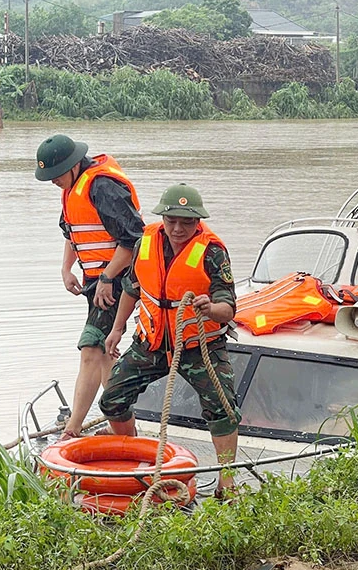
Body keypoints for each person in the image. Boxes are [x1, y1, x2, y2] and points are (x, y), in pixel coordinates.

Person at [99, 184, 241, 497]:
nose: (178, 228)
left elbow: (228, 308)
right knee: (112, 399)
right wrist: (117, 328)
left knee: (223, 409)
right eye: (172, 220)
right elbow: (133, 288)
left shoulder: (213, 251)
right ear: (163, 217)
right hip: (150, 341)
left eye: (186, 222)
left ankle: (226, 481)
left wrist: (209, 309)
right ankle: (132, 452)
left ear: (198, 222)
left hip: (197, 346)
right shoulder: (145, 242)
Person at [34, 134, 144, 439]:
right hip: (95, 281)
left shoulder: (102, 187)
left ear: (72, 166)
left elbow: (134, 239)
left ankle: (72, 428)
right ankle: (122, 427)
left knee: (90, 348)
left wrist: (108, 278)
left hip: (118, 279)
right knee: (106, 352)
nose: (54, 182)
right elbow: (72, 232)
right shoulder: (72, 189)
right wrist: (66, 268)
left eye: (56, 175)